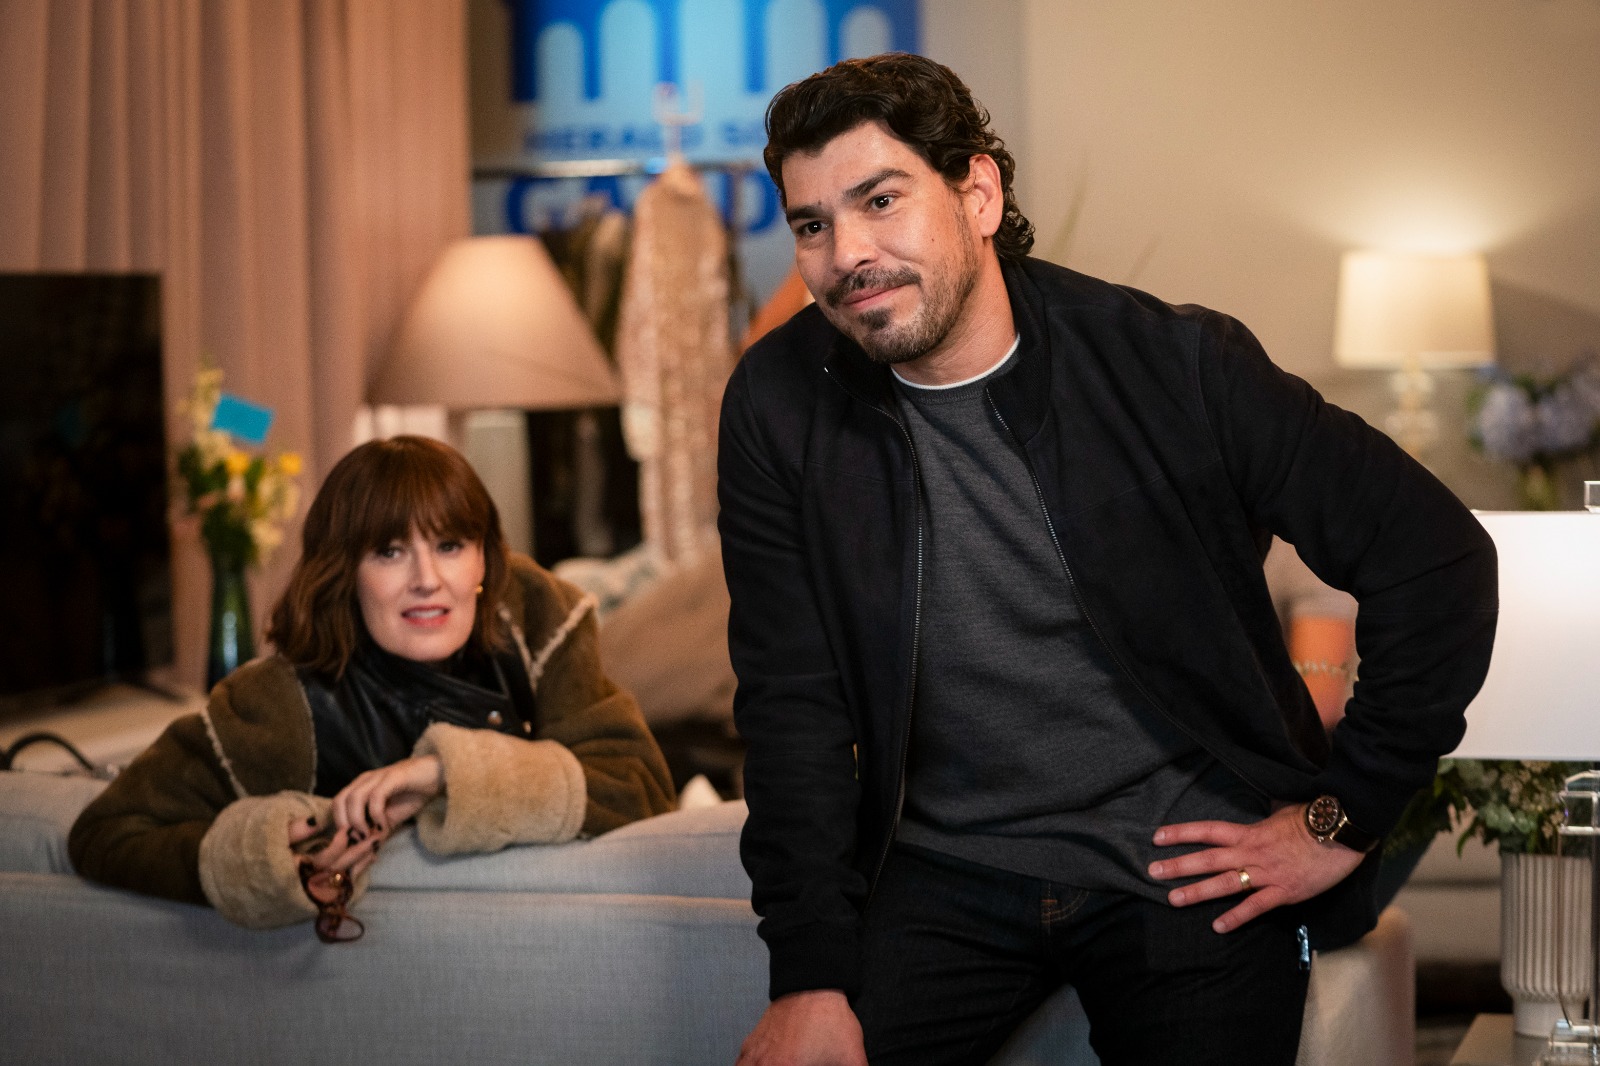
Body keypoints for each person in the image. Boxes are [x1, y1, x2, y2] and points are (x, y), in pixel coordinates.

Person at [718, 53, 1498, 1066]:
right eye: (812, 224)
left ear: (978, 193)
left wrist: (1338, 818)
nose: (846, 253)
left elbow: (1437, 561)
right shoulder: (778, 403)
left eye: (880, 200)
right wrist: (810, 974)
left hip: (1187, 855)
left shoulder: (1175, 366)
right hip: (945, 866)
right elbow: (792, 704)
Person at [70, 435, 675, 933]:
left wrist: (444, 774)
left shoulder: (535, 623)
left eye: (449, 545)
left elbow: (641, 788)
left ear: (482, 561)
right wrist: (266, 863)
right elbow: (106, 833)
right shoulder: (281, 706)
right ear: (345, 572)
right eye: (390, 552)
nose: (427, 579)